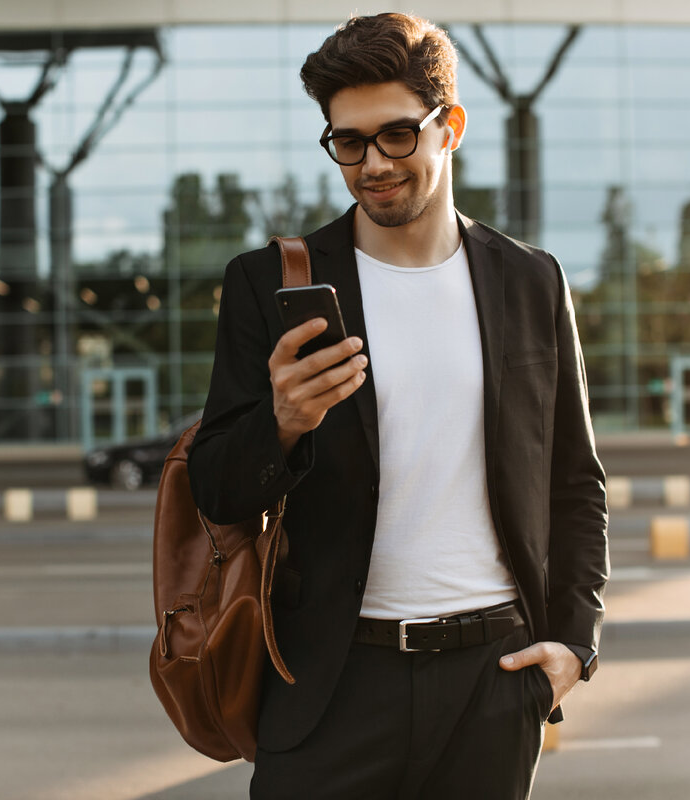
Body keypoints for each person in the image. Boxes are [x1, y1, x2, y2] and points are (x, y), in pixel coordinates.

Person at [188, 12, 609, 799]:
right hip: (331, 687)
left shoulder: (530, 280)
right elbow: (214, 490)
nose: (372, 163)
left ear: (449, 126)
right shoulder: (270, 283)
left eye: (395, 136)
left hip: (494, 681)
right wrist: (281, 425)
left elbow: (574, 481)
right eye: (348, 142)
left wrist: (573, 649)